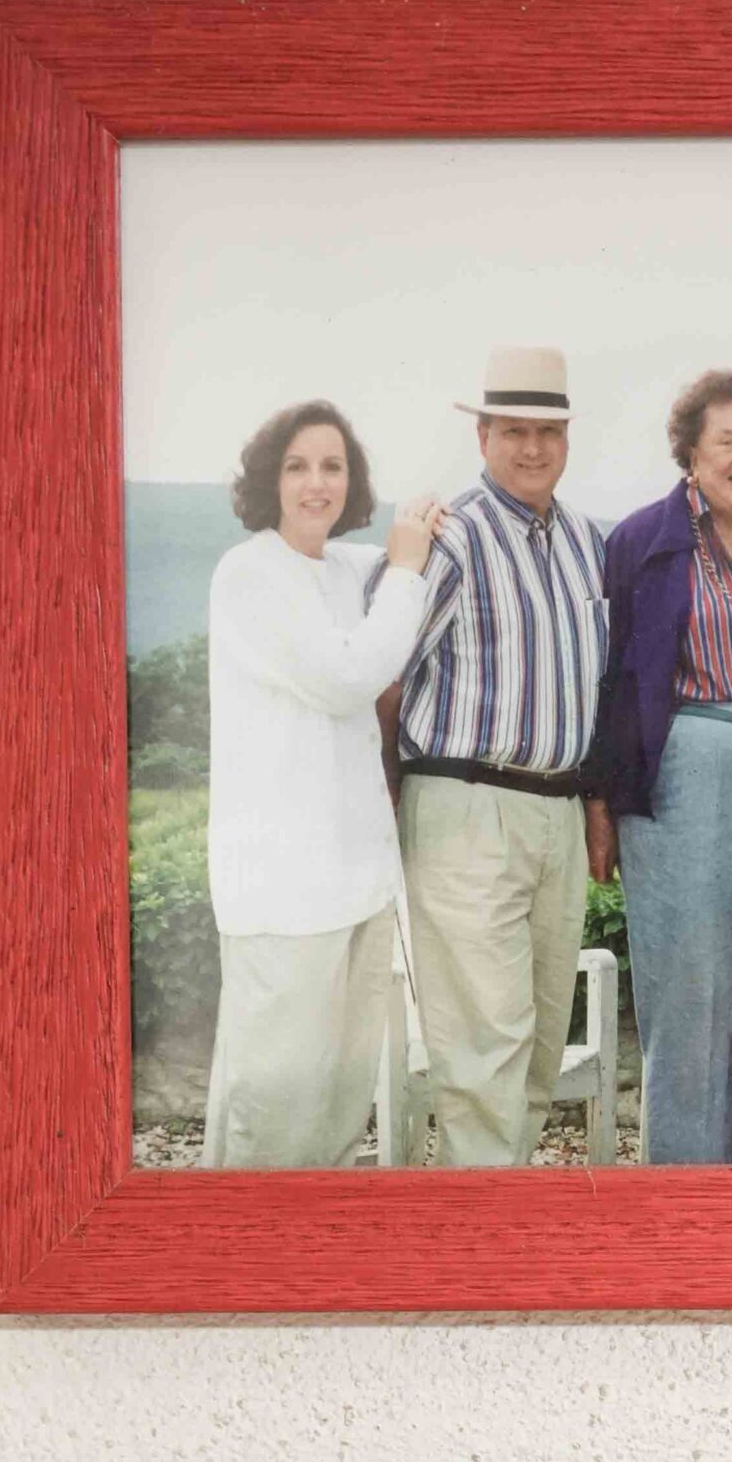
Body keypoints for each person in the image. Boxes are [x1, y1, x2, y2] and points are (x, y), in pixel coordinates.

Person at [387, 343, 612, 1165]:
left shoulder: (588, 543)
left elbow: (594, 688)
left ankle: (504, 1242)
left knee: (538, 1050)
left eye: (547, 431)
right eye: (513, 430)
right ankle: (483, 1269)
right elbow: (385, 674)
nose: (531, 448)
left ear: (567, 439)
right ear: (482, 435)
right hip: (464, 804)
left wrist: (591, 805)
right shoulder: (453, 537)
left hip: (555, 812)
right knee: (484, 1055)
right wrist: (389, 803)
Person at [201, 400, 441, 1168]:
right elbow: (348, 678)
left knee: (338, 1114)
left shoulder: (348, 569)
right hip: (280, 892)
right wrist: (405, 567)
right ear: (270, 480)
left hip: (359, 883)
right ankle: (238, 1275)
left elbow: (431, 579)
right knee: (271, 1115)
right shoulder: (248, 573)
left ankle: (311, 1275)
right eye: (298, 466)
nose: (317, 483)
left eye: (332, 465)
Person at [594, 373, 732, 1164]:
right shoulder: (642, 540)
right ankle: (680, 1187)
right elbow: (609, 681)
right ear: (692, 450)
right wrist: (603, 807)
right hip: (680, 767)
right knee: (691, 988)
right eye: (728, 440)